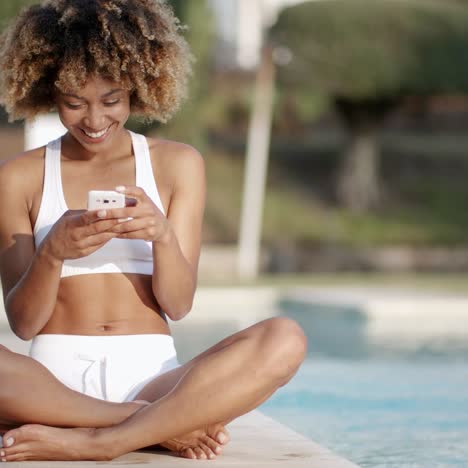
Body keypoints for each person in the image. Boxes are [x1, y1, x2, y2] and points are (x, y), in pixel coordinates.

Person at [0, 0, 307, 462]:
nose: (95, 120)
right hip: (52, 385)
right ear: (48, 91)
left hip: (155, 377)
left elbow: (179, 305)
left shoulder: (178, 165)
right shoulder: (17, 178)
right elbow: (24, 324)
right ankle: (150, 423)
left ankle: (100, 441)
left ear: (138, 89)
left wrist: (162, 236)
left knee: (285, 338)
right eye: (74, 103)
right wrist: (53, 253)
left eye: (111, 101)